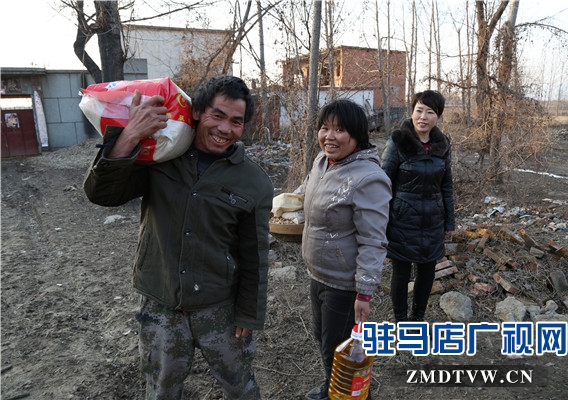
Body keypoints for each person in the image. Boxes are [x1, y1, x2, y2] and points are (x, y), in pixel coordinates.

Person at [83, 75, 274, 399]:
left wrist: (249, 313)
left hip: (220, 307)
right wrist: (130, 135)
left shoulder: (254, 181)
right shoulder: (160, 154)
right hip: (161, 303)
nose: (225, 128)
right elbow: (101, 194)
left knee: (241, 387)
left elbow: (255, 255)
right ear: (197, 111)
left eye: (236, 121)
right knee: (161, 390)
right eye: (217, 115)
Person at [296, 99, 392, 400]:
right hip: (318, 273)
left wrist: (364, 292)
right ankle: (331, 387)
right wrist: (284, 205)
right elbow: (307, 190)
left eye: (339, 130)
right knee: (324, 339)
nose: (329, 136)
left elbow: (373, 240)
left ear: (356, 135)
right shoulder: (323, 162)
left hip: (343, 282)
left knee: (338, 347)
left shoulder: (368, 178)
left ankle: (352, 395)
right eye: (325, 128)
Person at [380, 90, 455, 323]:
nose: (423, 117)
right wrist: (381, 220)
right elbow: (382, 184)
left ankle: (418, 318)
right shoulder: (398, 142)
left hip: (433, 220)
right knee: (401, 272)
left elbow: (446, 185)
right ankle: (401, 321)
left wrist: (449, 221)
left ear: (438, 117)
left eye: (430, 112)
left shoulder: (442, 145)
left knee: (427, 271)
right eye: (419, 110)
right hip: (402, 220)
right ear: (411, 112)